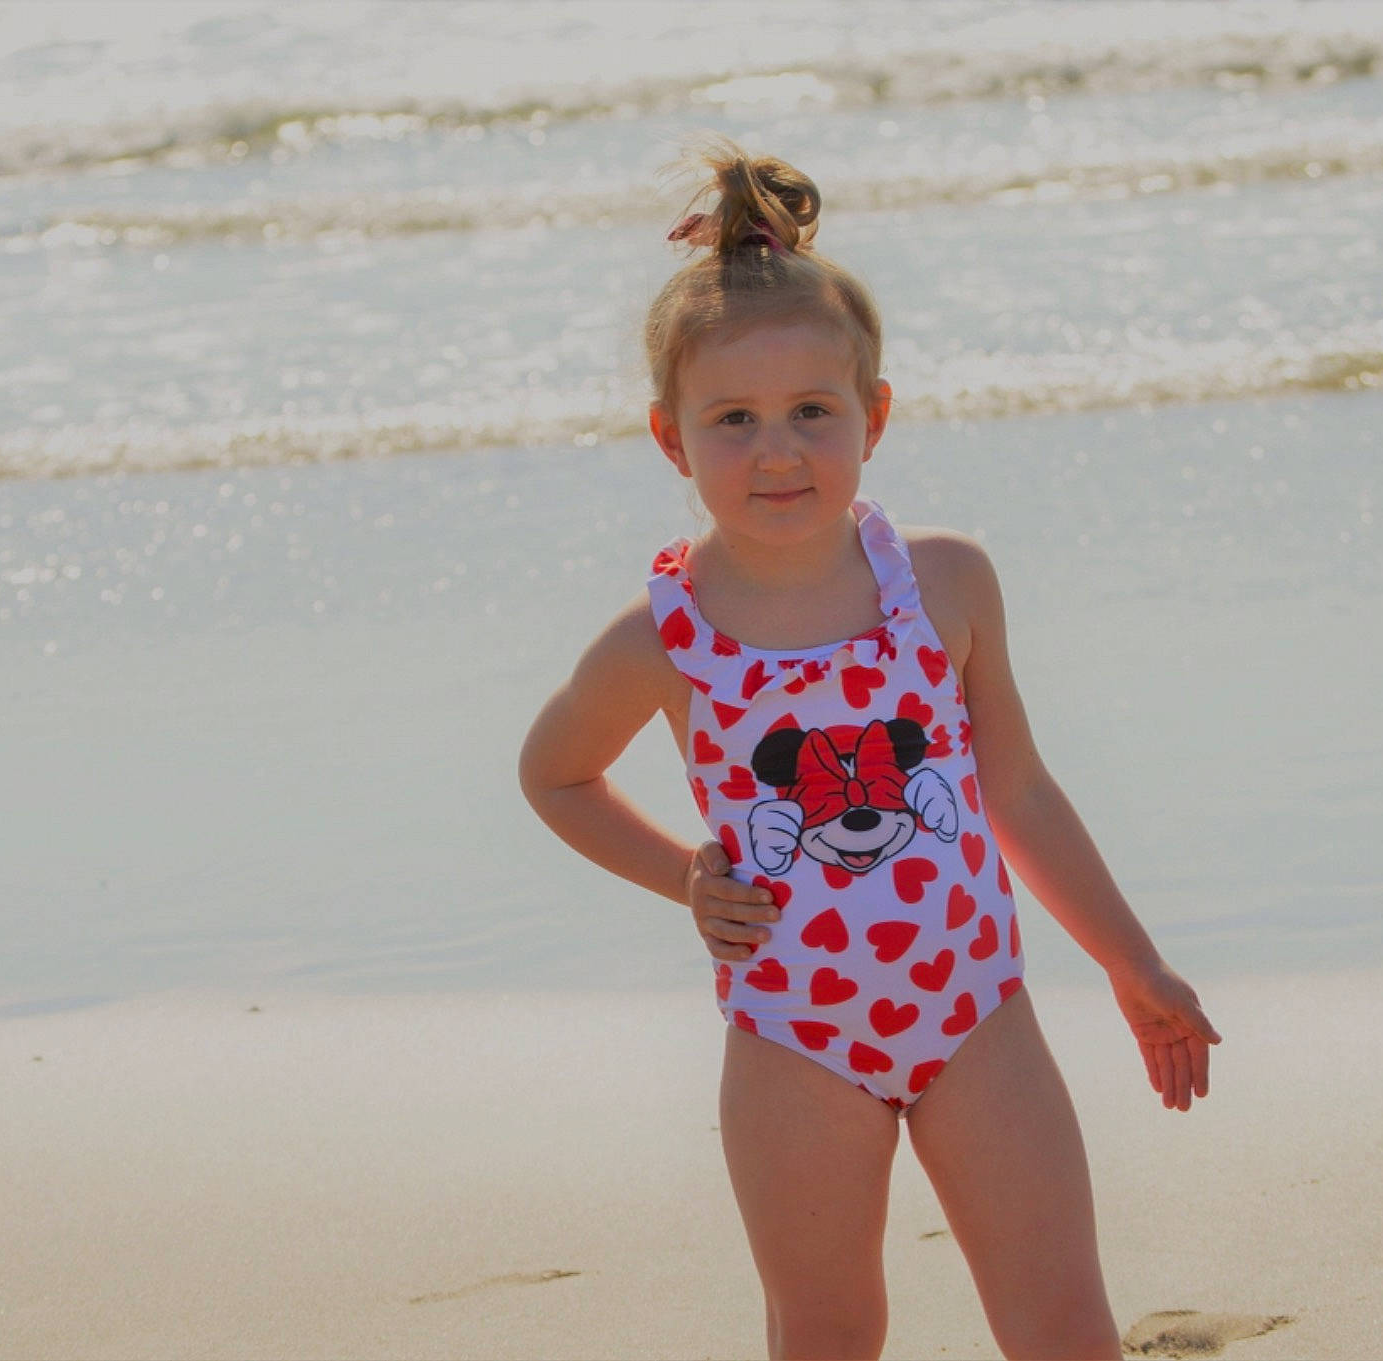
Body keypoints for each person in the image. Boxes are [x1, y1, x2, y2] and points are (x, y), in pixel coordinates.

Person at [517, 139, 1221, 1361]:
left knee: (1062, 1323)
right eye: (731, 420)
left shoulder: (942, 583)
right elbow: (554, 773)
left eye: (810, 412)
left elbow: (1019, 790)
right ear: (670, 439)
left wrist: (1130, 961)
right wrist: (687, 872)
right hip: (795, 1030)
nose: (776, 450)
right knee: (829, 1328)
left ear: (872, 417)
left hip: (974, 1010)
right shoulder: (663, 636)